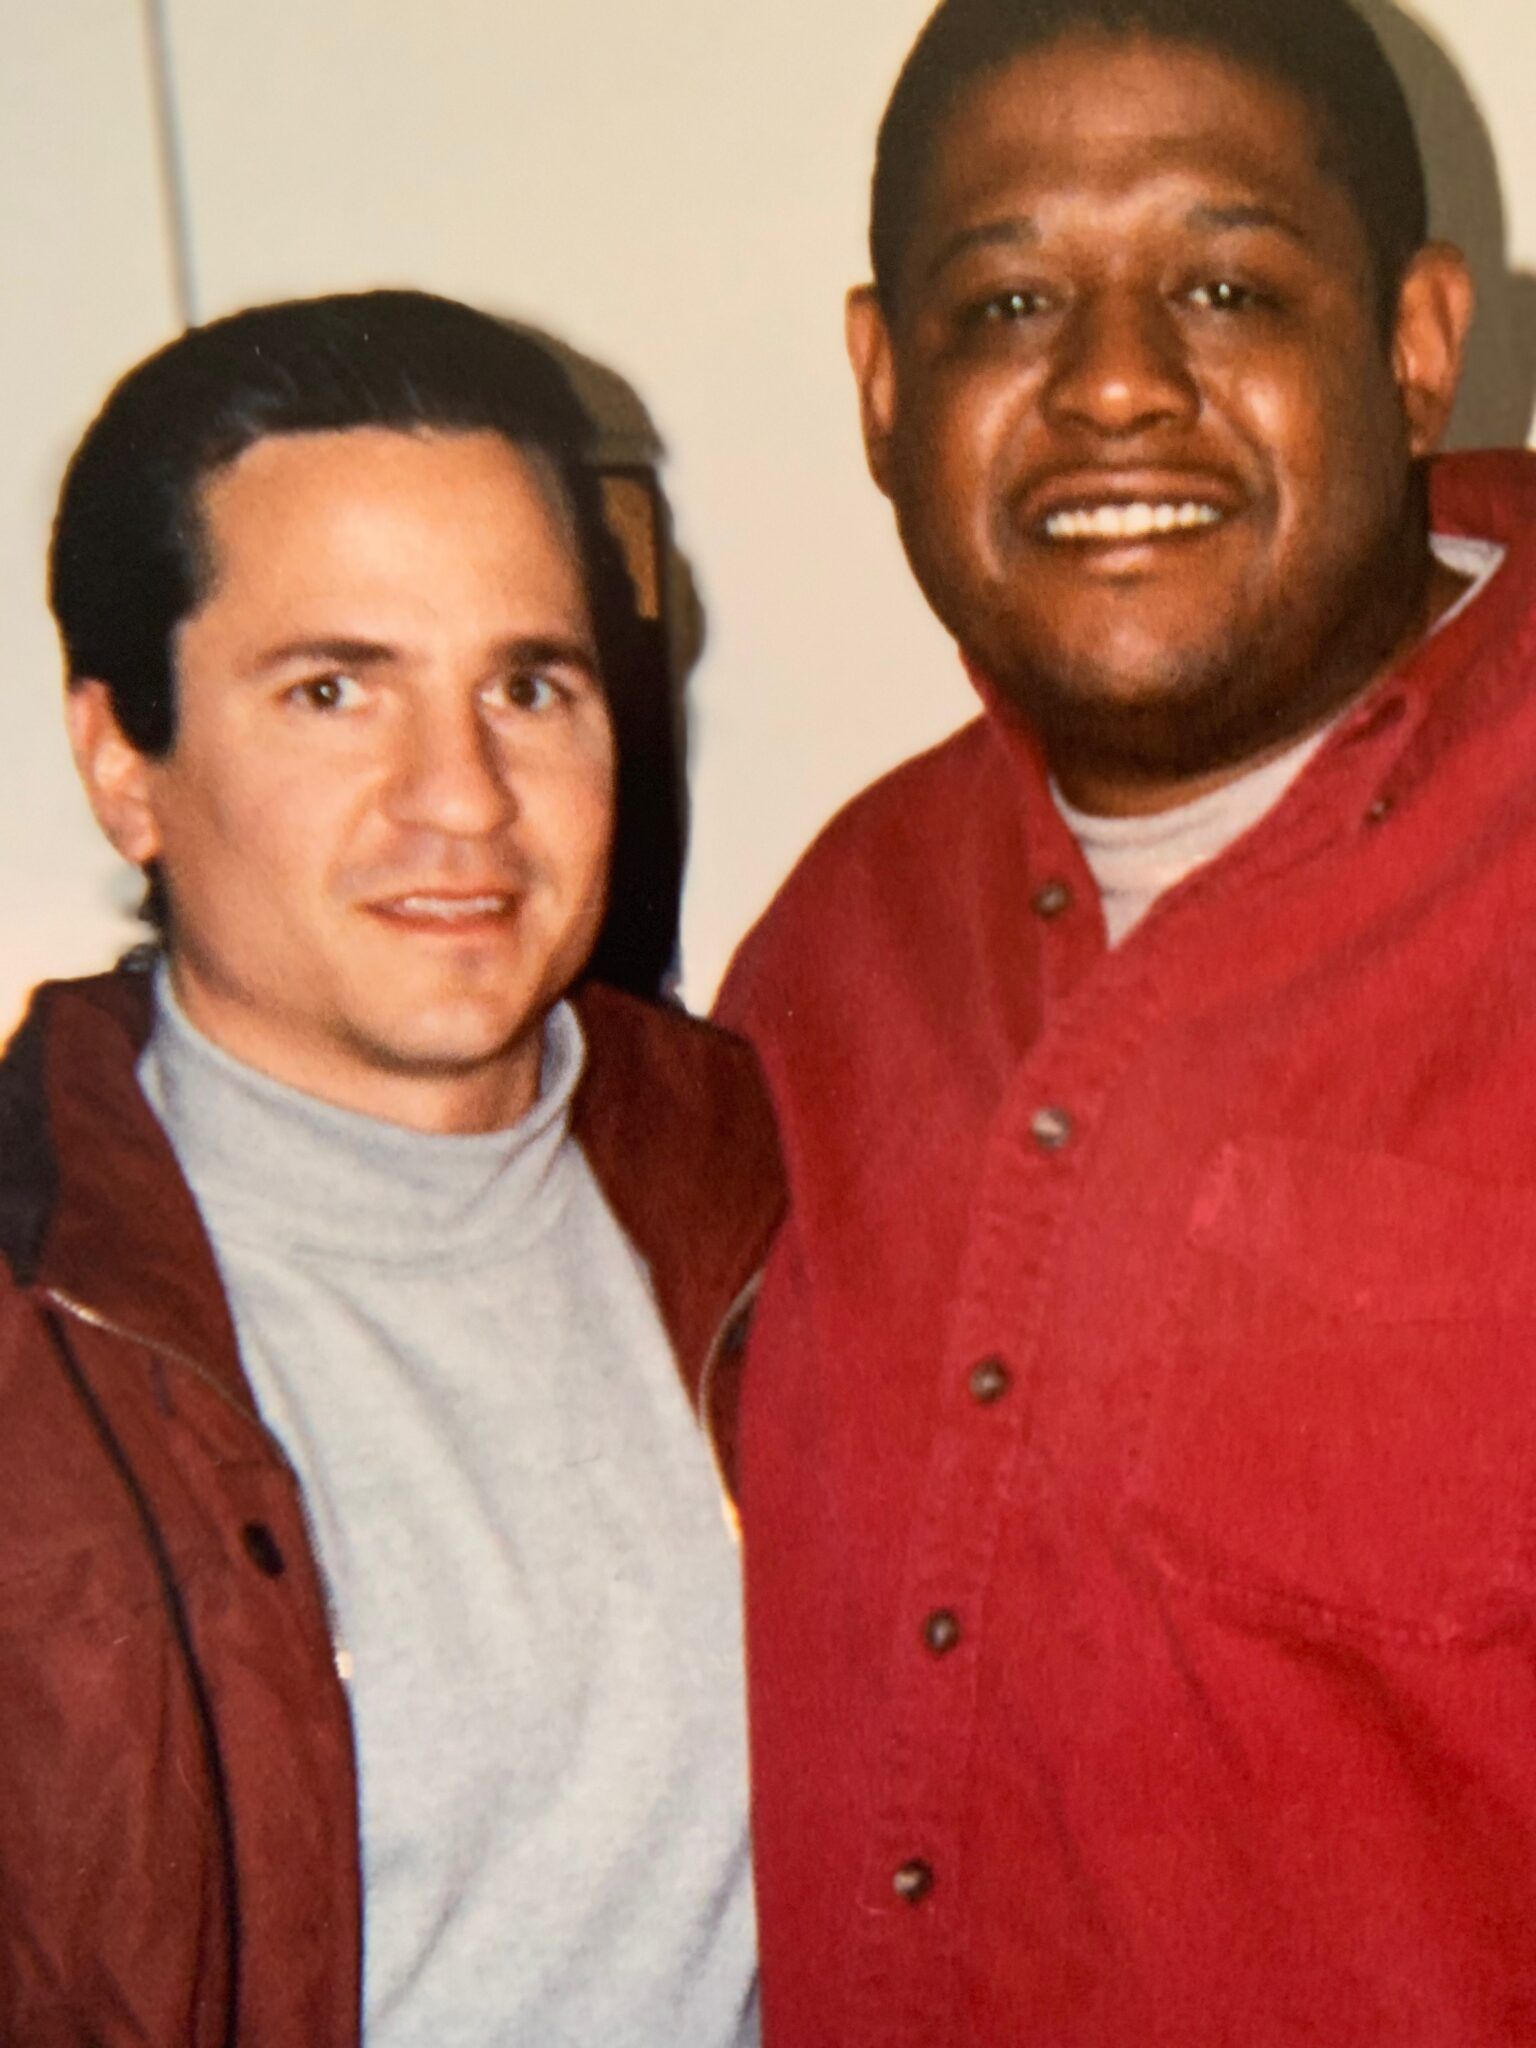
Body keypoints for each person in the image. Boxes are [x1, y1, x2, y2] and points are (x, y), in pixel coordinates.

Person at [717, 1, 1536, 2041]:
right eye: (1007, 301)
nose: (1111, 384)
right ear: (883, 383)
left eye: (1225, 281)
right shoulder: (828, 950)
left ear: (1417, 337)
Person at [7, 289, 780, 2048]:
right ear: (124, 760)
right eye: (334, 688)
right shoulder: (30, 1336)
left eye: (528, 682)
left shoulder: (772, 1174)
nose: (465, 797)